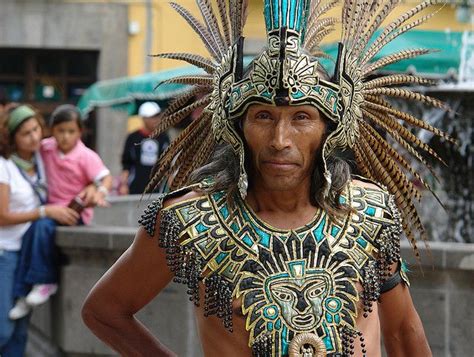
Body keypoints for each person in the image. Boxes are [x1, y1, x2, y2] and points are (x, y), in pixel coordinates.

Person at [82, 0, 451, 355]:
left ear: (330, 128)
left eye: (302, 118)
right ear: (238, 126)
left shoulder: (369, 213)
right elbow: (105, 311)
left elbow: (403, 332)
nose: (280, 140)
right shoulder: (191, 220)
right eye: (263, 117)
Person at [8, 104, 113, 321]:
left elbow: (105, 177)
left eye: (71, 131)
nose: (65, 137)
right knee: (29, 235)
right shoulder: (46, 148)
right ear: (52, 130)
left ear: (80, 132)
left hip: (73, 214)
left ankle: (46, 281)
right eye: (60, 131)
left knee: (40, 227)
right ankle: (21, 292)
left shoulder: (86, 156)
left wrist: (98, 190)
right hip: (52, 212)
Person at [0, 104, 79, 356]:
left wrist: (94, 188)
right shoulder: (5, 167)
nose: (35, 137)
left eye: (36, 129)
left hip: (30, 252)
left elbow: (80, 163)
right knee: (3, 330)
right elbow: (1, 216)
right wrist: (45, 212)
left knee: (21, 329)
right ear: (12, 139)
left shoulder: (42, 159)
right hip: (6, 253)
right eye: (26, 133)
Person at [119, 101, 170, 195]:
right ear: (144, 118)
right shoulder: (133, 137)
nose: (156, 119)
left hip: (157, 187)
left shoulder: (163, 137)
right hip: (135, 186)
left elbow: (167, 164)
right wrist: (123, 185)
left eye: (158, 116)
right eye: (152, 117)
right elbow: (126, 164)